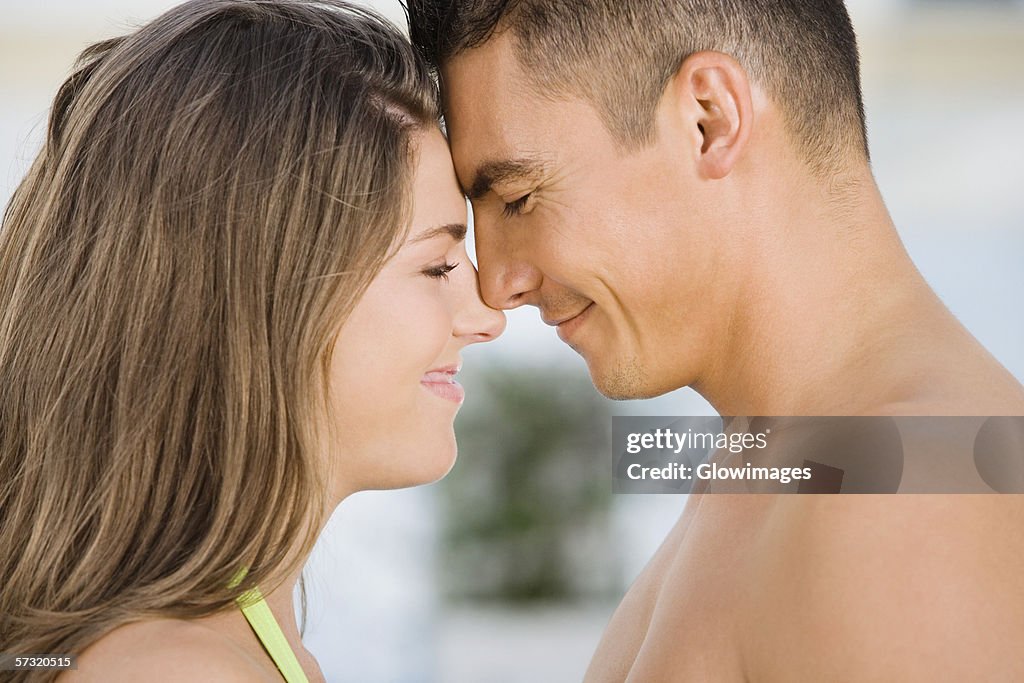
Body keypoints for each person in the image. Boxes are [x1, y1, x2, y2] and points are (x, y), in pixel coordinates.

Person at [405, 0, 1024, 679]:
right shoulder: (784, 466)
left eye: (519, 198)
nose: (496, 286)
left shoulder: (904, 515)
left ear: (710, 120)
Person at [0, 1, 503, 681]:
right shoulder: (176, 669)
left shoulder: (238, 630)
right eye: (438, 265)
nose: (487, 313)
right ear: (264, 289)